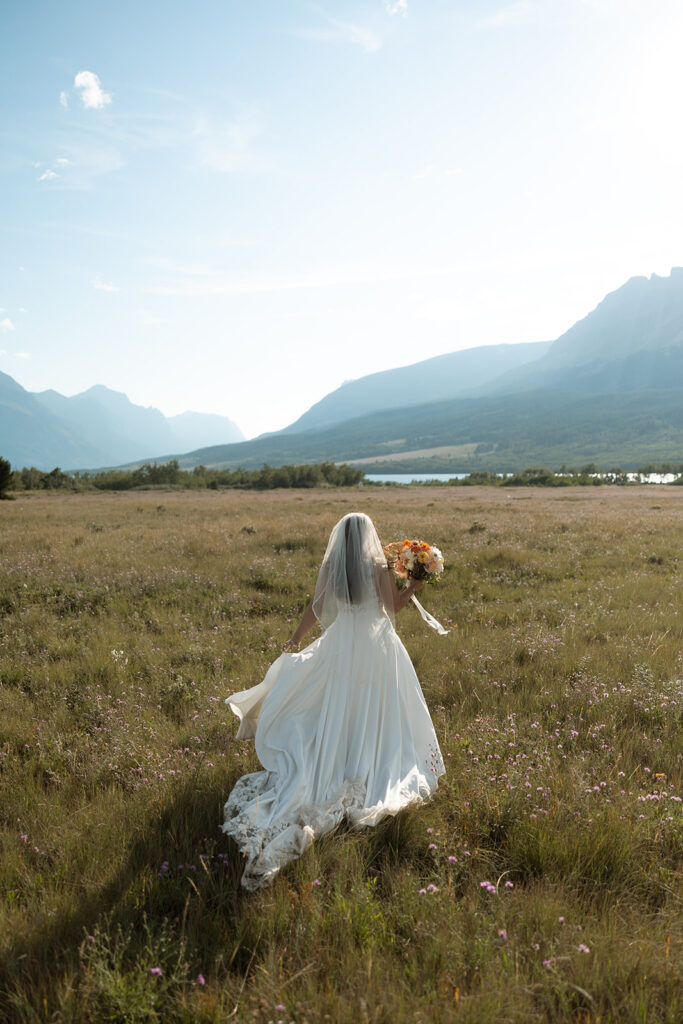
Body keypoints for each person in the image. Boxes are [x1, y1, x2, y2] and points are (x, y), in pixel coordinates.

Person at [221, 512, 446, 890]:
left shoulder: (333, 563)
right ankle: (365, 761)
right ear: (369, 537)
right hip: (376, 648)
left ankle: (338, 759)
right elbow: (391, 608)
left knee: (335, 703)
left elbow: (315, 607)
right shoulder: (378, 564)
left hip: (342, 643)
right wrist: (412, 588)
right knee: (374, 709)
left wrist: (294, 640)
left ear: (340, 539)